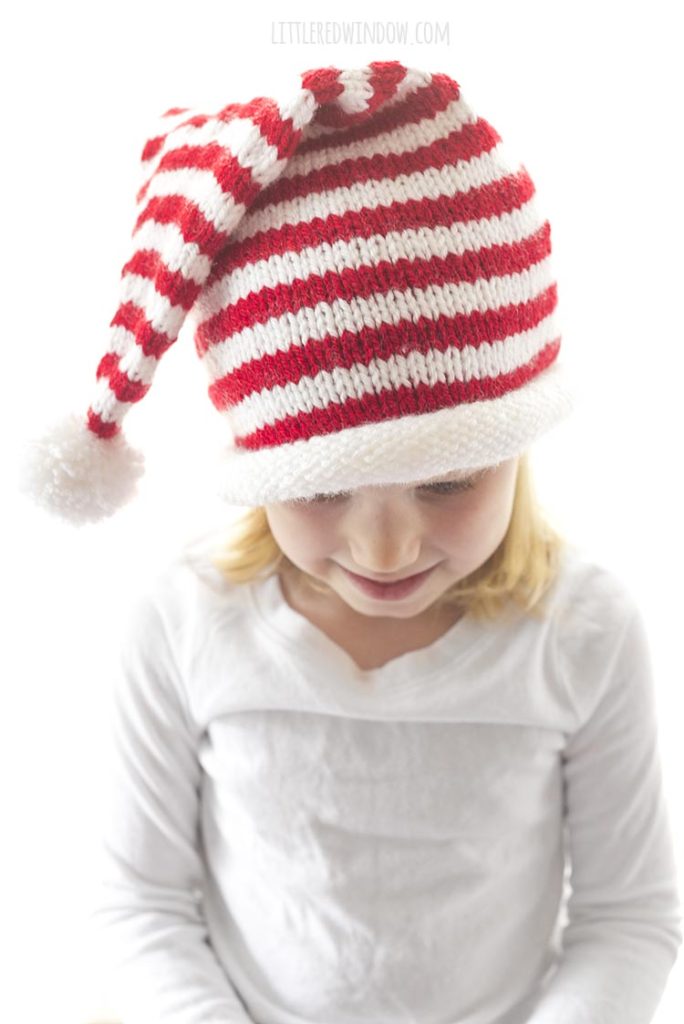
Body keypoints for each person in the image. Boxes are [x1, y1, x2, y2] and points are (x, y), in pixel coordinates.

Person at [17, 61, 681, 1023]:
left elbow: (629, 916)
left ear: (516, 447)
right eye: (320, 488)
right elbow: (139, 906)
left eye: (448, 480)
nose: (382, 550)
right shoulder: (182, 622)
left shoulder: (582, 628)